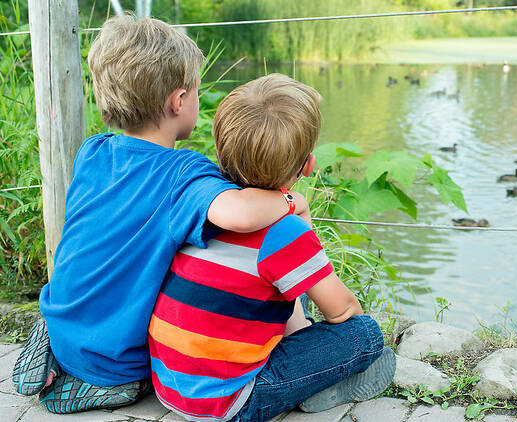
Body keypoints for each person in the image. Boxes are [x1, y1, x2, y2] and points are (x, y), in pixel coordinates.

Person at [12, 15, 311, 414]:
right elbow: (240, 215)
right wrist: (293, 203)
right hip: (118, 360)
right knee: (132, 373)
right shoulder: (182, 175)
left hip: (62, 318)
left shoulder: (94, 151)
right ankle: (102, 385)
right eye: (197, 92)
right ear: (178, 100)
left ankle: (57, 346)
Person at [147, 73, 395, 422]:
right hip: (229, 403)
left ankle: (304, 367)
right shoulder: (283, 232)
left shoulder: (207, 203)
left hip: (169, 384)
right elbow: (342, 312)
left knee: (286, 281)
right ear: (307, 165)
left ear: (221, 150)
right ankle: (315, 385)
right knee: (365, 334)